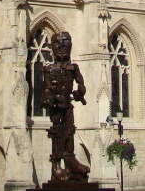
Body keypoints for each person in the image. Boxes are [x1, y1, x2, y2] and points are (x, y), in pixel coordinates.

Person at [42, 31, 90, 183]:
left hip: (68, 104)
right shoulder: (49, 69)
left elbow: (81, 84)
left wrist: (79, 92)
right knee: (57, 133)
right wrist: (49, 98)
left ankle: (70, 160)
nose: (62, 47)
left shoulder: (73, 68)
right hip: (56, 105)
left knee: (69, 131)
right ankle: (56, 165)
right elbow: (47, 87)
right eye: (58, 44)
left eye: (65, 43)